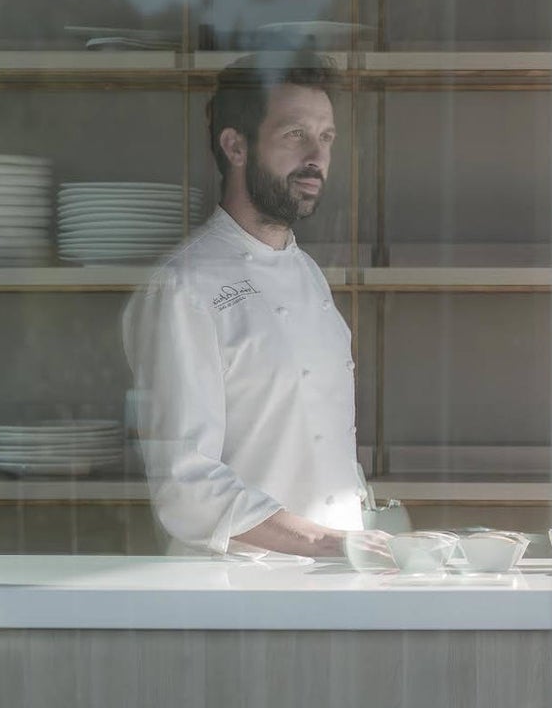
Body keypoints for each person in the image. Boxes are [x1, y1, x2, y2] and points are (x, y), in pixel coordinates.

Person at [123, 51, 369, 557]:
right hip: (239, 592)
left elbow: (319, 443)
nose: (316, 158)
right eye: (295, 134)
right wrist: (325, 541)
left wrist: (364, 528)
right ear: (235, 146)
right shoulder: (183, 287)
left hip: (337, 575)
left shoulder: (305, 273)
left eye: (326, 138)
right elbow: (185, 483)